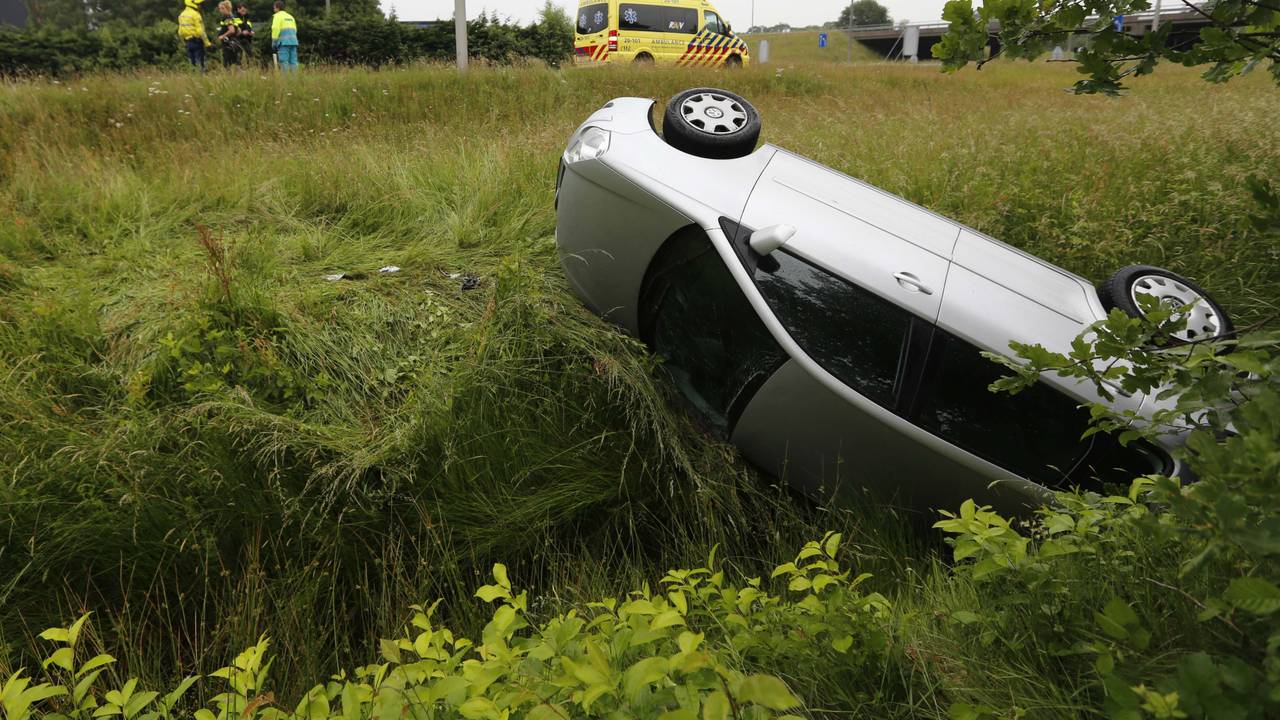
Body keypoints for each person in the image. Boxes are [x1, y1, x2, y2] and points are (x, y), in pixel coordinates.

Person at [177, 0, 212, 71]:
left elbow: (180, 32)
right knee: (200, 64)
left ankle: (194, 76)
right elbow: (201, 32)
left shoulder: (182, 15)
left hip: (188, 42)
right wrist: (208, 44)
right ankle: (201, 76)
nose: (201, 6)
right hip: (197, 42)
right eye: (200, 4)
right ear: (193, 4)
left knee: (192, 64)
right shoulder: (196, 15)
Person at [271, 1, 298, 72]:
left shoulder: (277, 16)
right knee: (293, 62)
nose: (273, 9)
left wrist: (274, 43)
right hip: (293, 42)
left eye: (274, 8)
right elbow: (295, 29)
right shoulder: (290, 16)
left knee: (283, 61)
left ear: (277, 8)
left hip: (283, 43)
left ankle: (285, 78)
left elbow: (275, 29)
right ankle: (295, 78)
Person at [215, 1, 240, 67]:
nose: (220, 10)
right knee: (236, 62)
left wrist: (222, 36)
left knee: (227, 64)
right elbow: (238, 31)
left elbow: (231, 30)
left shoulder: (227, 18)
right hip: (234, 42)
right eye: (220, 8)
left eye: (222, 8)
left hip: (228, 43)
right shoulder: (233, 17)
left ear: (228, 8)